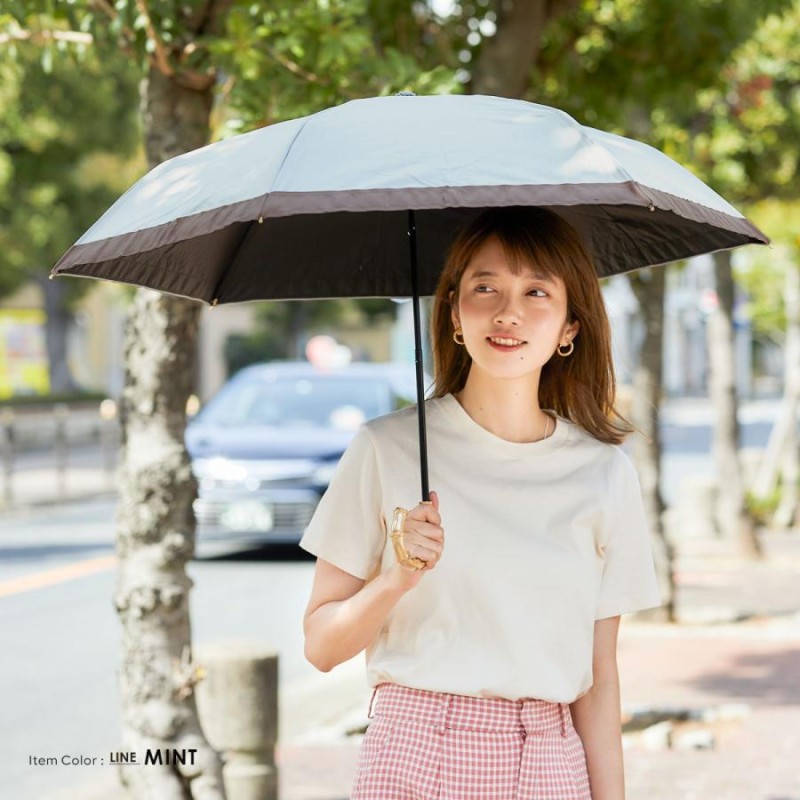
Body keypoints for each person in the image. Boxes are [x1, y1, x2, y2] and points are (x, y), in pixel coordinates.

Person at [300, 206, 662, 800]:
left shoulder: (603, 473)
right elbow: (321, 646)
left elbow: (598, 681)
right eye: (485, 286)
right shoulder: (387, 448)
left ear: (571, 326)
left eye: (536, 291)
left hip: (550, 758)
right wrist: (395, 580)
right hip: (415, 751)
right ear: (454, 313)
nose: (508, 312)